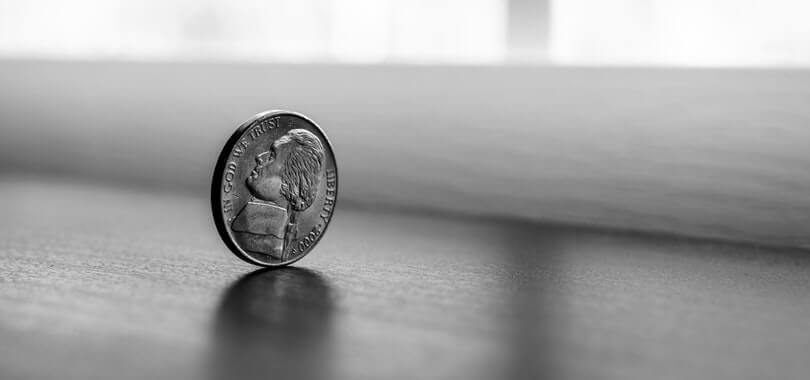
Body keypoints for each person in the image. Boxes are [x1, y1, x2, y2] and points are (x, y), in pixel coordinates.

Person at [231, 129, 325, 260]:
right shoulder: (246, 224)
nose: (259, 157)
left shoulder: (258, 237)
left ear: (291, 179)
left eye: (272, 156)